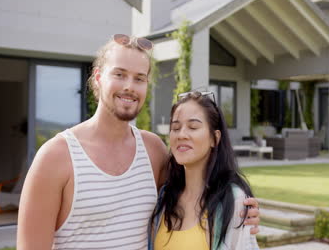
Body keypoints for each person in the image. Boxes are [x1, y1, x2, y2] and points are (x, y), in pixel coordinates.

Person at [17, 34, 260, 249]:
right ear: (99, 77)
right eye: (120, 74)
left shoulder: (153, 150)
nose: (129, 87)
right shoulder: (55, 157)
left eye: (139, 78)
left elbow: (192, 190)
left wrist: (238, 208)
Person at [149, 91, 259, 250]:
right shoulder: (164, 198)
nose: (182, 134)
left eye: (193, 127)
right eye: (175, 127)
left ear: (215, 138)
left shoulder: (233, 201)